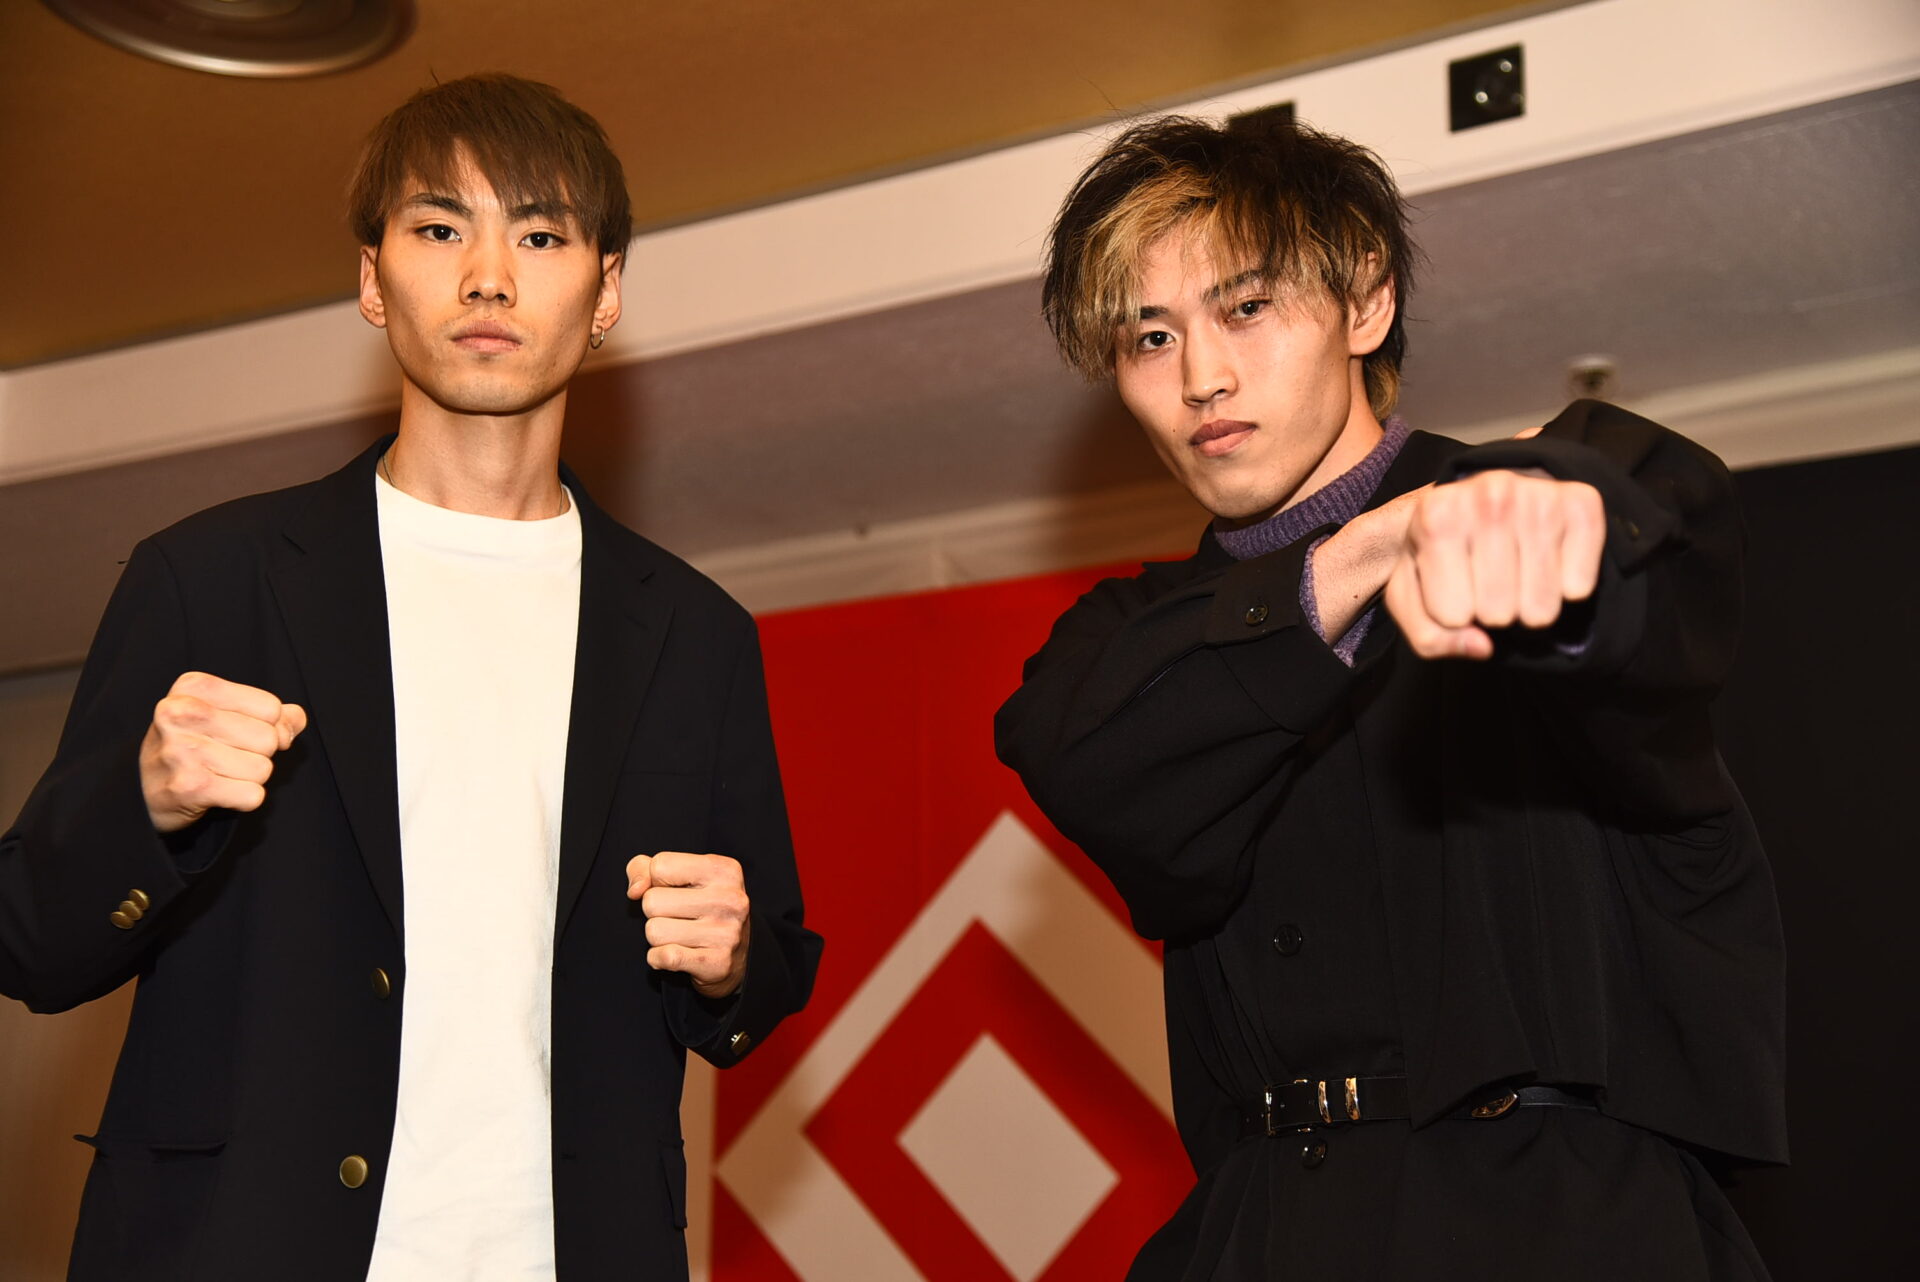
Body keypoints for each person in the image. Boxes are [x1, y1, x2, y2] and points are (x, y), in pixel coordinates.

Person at [0, 73, 820, 1282]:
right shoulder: (213, 580)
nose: (488, 276)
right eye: (440, 229)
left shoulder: (696, 635)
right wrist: (148, 802)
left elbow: (768, 966)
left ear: (605, 292)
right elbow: (28, 939)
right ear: (374, 280)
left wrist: (735, 958)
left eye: (540, 237)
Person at [995, 114, 1785, 1280]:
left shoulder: (1503, 505)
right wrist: (1364, 555)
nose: (1200, 378)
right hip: (1269, 1227)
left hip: (1558, 1220)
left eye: (1246, 308)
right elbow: (1093, 763)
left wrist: (1549, 518)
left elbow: (1646, 561)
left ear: (1365, 302)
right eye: (1150, 337)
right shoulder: (1132, 639)